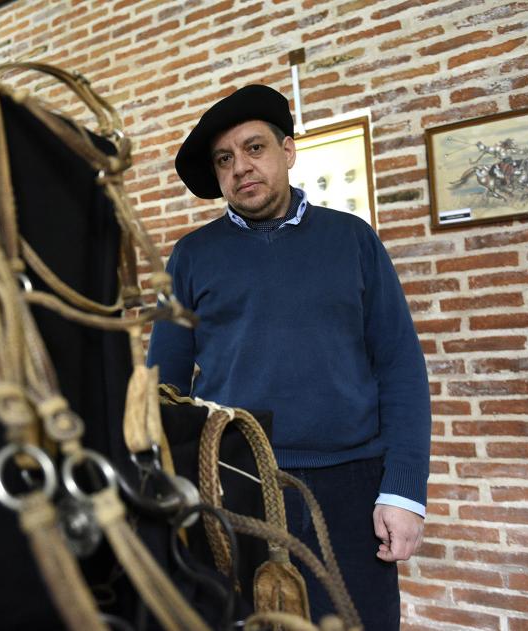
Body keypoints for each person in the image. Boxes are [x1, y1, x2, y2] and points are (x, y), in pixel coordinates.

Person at [146, 84, 431, 630]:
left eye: (254, 148)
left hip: (350, 489)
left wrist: (405, 490)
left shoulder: (354, 241)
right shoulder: (190, 258)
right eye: (225, 159)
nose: (240, 168)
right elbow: (163, 389)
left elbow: (399, 367)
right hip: (236, 484)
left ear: (288, 151)